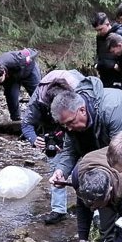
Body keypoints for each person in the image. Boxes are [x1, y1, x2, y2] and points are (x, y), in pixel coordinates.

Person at [48, 74, 122, 194]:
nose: (68, 129)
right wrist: (61, 171)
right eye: (64, 125)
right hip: (109, 146)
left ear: (82, 110)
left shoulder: (113, 107)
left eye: (70, 123)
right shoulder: (72, 119)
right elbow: (70, 151)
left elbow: (121, 152)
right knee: (79, 177)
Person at [22, 70, 84, 225]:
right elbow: (26, 124)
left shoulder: (79, 90)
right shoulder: (38, 99)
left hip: (79, 127)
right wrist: (34, 139)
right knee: (57, 169)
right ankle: (58, 210)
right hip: (52, 131)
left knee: (86, 166)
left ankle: (91, 206)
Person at [0, 48, 42, 122]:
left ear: (3, 73)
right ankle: (16, 120)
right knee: (11, 96)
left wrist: (35, 53)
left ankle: (44, 116)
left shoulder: (16, 60)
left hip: (29, 71)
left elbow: (30, 53)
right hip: (12, 79)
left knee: (38, 94)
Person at [92, 12, 122, 90]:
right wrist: (97, 63)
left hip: (118, 76)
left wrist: (117, 65)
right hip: (104, 75)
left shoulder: (119, 33)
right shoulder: (99, 37)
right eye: (97, 30)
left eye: (100, 29)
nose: (99, 32)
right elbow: (99, 52)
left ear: (107, 24)